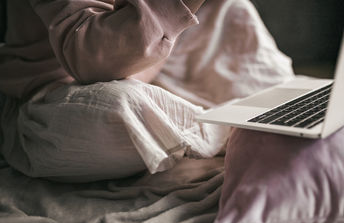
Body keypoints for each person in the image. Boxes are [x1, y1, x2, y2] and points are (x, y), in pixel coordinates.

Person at [0, 0, 293, 182]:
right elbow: (91, 62)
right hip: (52, 94)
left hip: (160, 66)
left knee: (233, 10)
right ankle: (228, 126)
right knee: (118, 111)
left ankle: (190, 126)